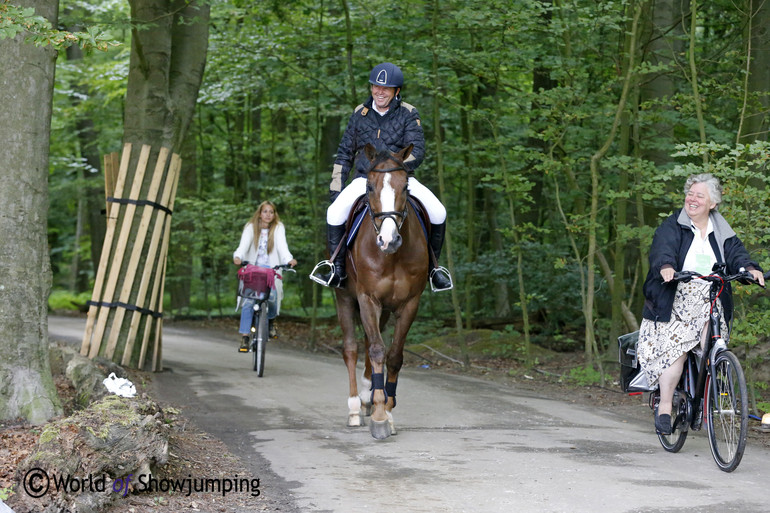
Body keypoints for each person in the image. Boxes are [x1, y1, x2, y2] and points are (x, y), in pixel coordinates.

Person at [637, 173, 764, 435]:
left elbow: (735, 254)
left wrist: (749, 269)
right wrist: (667, 267)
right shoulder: (674, 225)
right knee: (677, 350)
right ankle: (665, 405)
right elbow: (663, 249)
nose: (692, 199)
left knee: (714, 345)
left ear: (712, 203)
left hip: (711, 295)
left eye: (699, 196)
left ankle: (711, 389)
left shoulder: (722, 230)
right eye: (690, 194)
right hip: (675, 297)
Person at [311, 62, 452, 292]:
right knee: (334, 212)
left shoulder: (408, 113)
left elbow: (417, 151)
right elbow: (345, 153)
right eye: (376, 86)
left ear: (396, 91)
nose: (379, 92)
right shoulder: (360, 113)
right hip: (365, 179)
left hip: (399, 179)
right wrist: (336, 189)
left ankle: (433, 270)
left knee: (438, 212)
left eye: (386, 88)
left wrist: (394, 170)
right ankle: (336, 269)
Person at [233, 201, 297, 352]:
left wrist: (289, 259)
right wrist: (238, 257)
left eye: (271, 212)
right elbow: (243, 246)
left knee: (273, 297)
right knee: (248, 302)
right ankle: (245, 336)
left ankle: (271, 321)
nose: (268, 215)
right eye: (265, 211)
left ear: (275, 214)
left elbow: (282, 246)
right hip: (253, 269)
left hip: (271, 270)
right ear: (259, 213)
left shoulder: (278, 228)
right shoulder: (251, 227)